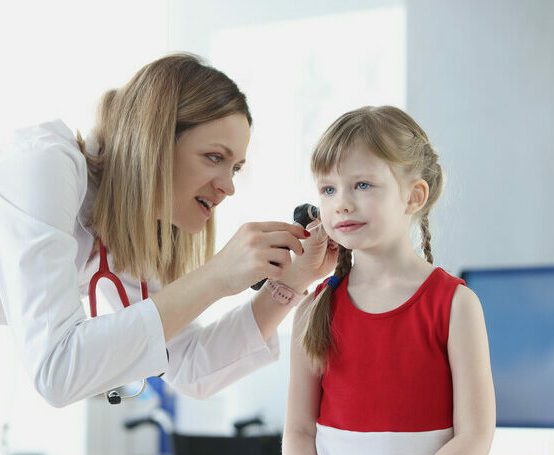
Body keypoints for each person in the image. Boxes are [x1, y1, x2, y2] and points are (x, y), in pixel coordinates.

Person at [0, 53, 338, 408]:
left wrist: (288, 284)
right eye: (214, 157)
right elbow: (58, 370)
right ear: (156, 141)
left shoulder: (123, 226)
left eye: (235, 168)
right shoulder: (44, 167)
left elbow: (189, 365)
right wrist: (217, 276)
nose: (228, 186)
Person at [282, 106, 495, 455]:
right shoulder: (313, 310)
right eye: (328, 189)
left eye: (361, 185)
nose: (341, 203)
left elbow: (475, 436)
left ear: (414, 197)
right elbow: (298, 431)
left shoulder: (456, 305)